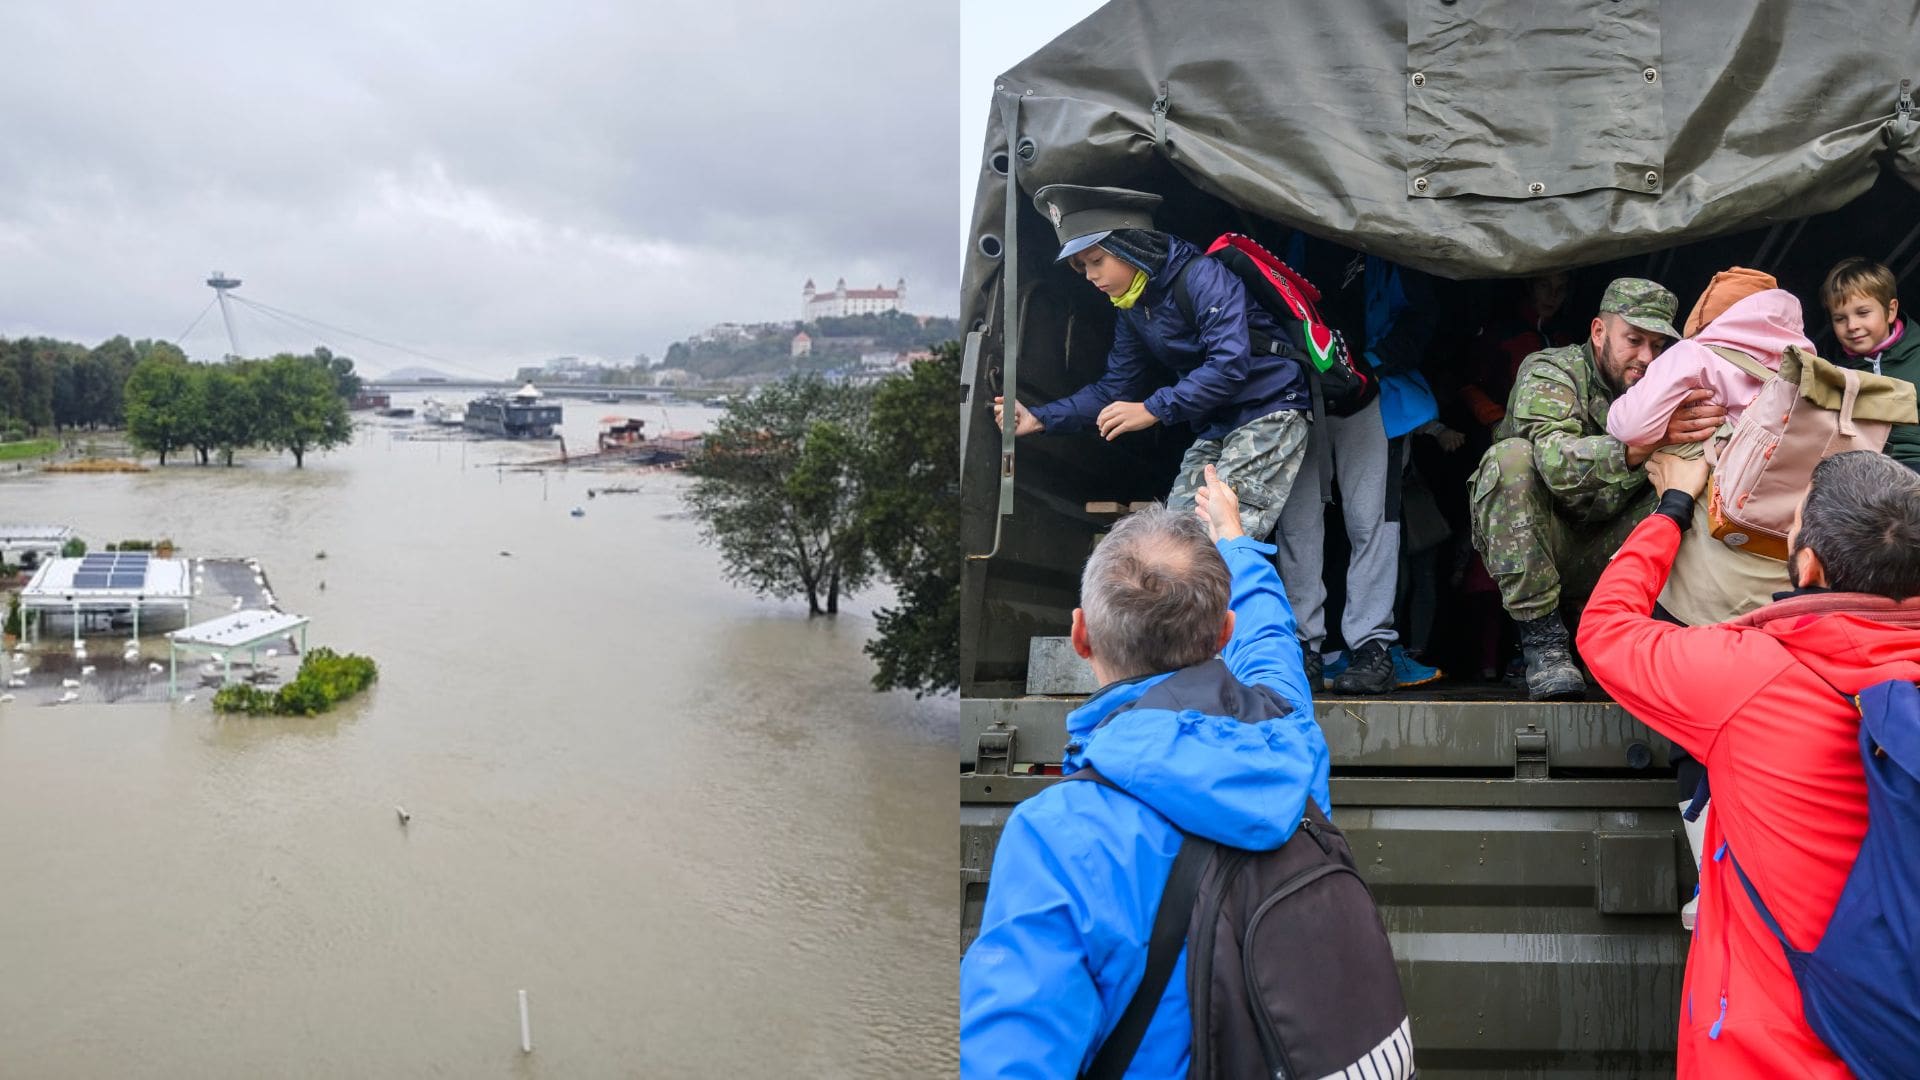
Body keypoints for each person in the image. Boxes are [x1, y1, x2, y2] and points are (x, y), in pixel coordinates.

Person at [959, 466, 1331, 1079]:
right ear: (1225, 632)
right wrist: (1233, 538)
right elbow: (1270, 641)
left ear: (1080, 637)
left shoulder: (1057, 836)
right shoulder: (1289, 741)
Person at [1577, 449, 1920, 1078]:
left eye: (1791, 522)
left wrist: (1673, 506)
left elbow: (1605, 629)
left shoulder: (1748, 675)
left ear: (1808, 567)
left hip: (1764, 1055)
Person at [993, 185, 1311, 543]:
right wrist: (1040, 417)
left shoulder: (1203, 277)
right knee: (1173, 539)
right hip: (1218, 424)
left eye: (1097, 261)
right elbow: (1114, 390)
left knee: (1220, 542)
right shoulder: (1133, 310)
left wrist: (1152, 408)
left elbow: (1229, 365)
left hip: (1269, 408)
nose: (1089, 275)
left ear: (1132, 245)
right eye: (1081, 267)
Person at [1467, 277, 1725, 700]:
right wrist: (1646, 443)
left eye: (1658, 346)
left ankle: (1656, 634)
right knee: (1509, 459)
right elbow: (1553, 463)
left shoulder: (1669, 386)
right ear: (1599, 332)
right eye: (1634, 339)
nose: (1646, 357)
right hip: (1546, 543)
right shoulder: (1552, 369)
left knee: (1700, 473)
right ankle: (1544, 643)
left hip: (1616, 556)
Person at [1275, 239, 1445, 693]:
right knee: (1298, 521)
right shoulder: (1291, 245)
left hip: (1374, 392)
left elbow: (1421, 319)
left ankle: (1372, 646)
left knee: (1372, 522)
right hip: (1302, 394)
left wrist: (1368, 364)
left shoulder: (1388, 247)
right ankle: (1302, 648)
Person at [1602, 276, 1808, 628]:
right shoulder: (1806, 376)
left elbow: (1629, 426)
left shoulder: (1697, 355)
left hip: (1702, 543)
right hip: (1778, 558)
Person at [1824, 256, 1920, 471]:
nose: (1852, 325)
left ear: (1891, 310)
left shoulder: (1916, 355)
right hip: (1860, 468)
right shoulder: (1833, 370)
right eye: (1840, 319)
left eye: (1863, 313)